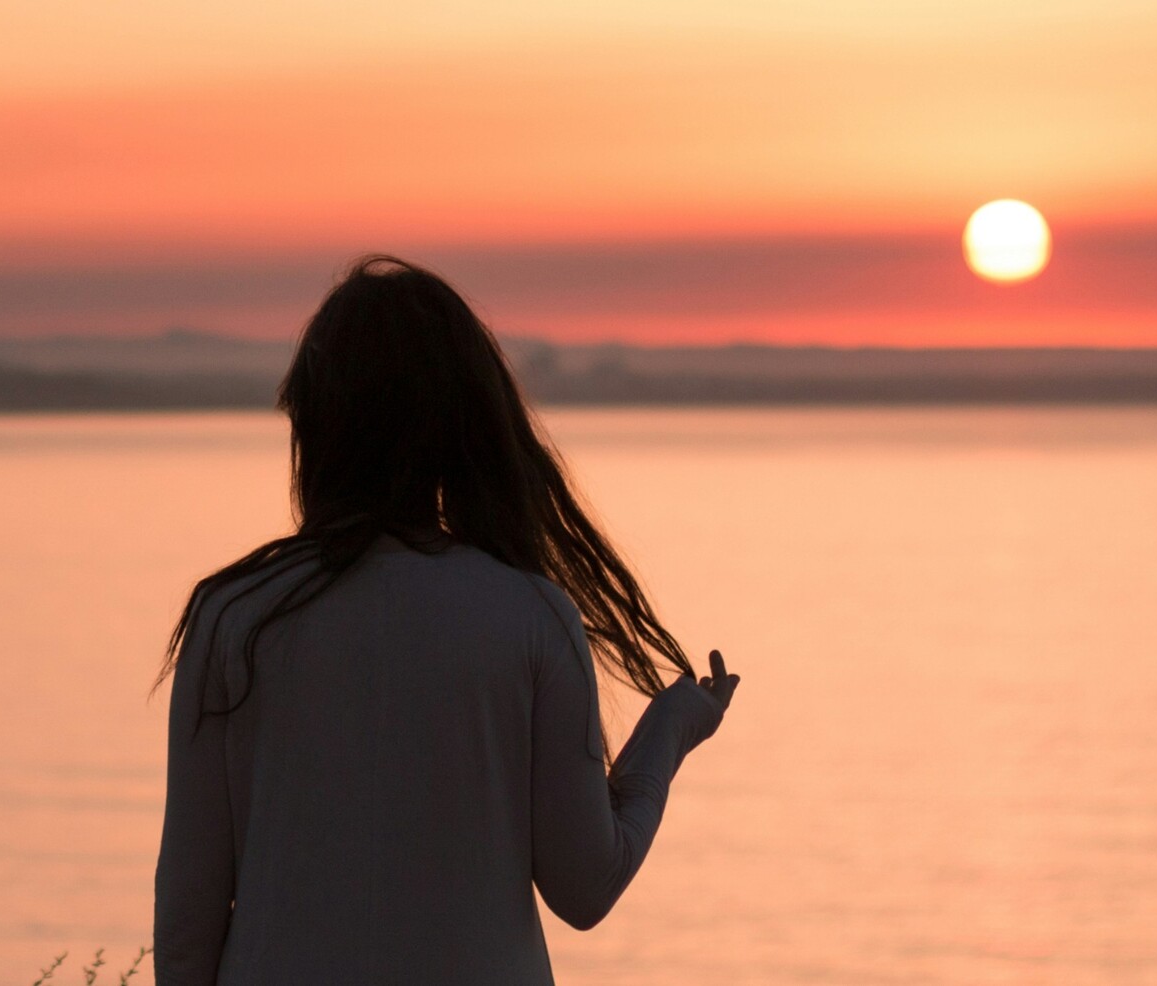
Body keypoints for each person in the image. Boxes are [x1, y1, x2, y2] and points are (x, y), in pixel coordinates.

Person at [151, 256, 740, 985]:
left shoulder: (236, 616)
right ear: (466, 425)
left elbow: (186, 925)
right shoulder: (528, 616)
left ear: (316, 422)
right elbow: (586, 886)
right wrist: (670, 731)